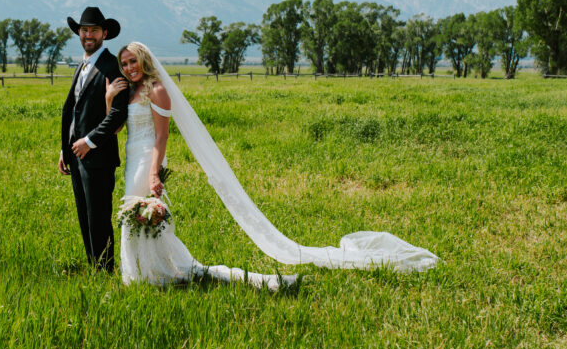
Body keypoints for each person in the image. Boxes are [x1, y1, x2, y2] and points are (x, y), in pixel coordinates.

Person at [106, 41, 439, 289]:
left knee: (139, 212)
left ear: (144, 60)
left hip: (146, 161)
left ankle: (154, 274)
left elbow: (161, 138)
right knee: (131, 217)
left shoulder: (157, 90)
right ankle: (146, 272)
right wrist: (110, 99)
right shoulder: (131, 91)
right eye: (124, 63)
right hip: (131, 159)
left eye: (133, 60)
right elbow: (118, 127)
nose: (129, 66)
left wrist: (153, 173)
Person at [59, 7, 129, 273]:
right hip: (76, 155)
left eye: (94, 31)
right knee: (84, 216)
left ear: (105, 33)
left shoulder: (113, 66)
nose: (88, 35)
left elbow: (119, 113)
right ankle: (94, 268)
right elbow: (74, 109)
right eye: (84, 30)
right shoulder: (83, 63)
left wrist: (89, 141)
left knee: (99, 218)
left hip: (98, 156)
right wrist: (64, 149)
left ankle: (105, 271)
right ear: (79, 32)